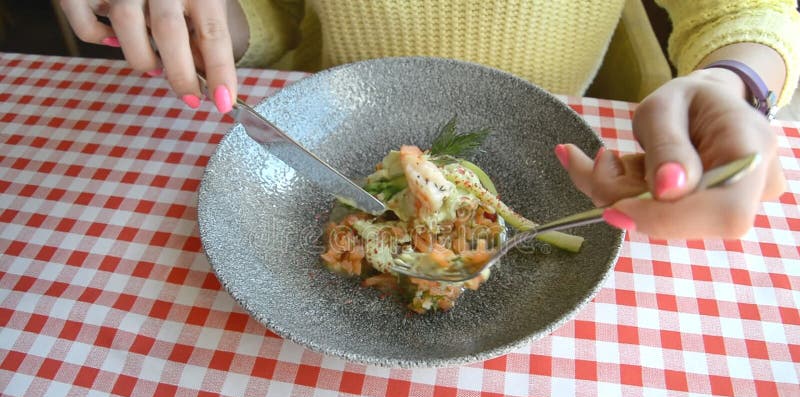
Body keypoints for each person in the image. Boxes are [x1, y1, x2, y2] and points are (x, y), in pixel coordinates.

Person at [58, 0, 800, 240]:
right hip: (332, 102)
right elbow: (276, 13)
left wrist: (737, 81)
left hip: (561, 141)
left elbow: (742, 10)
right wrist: (211, 23)